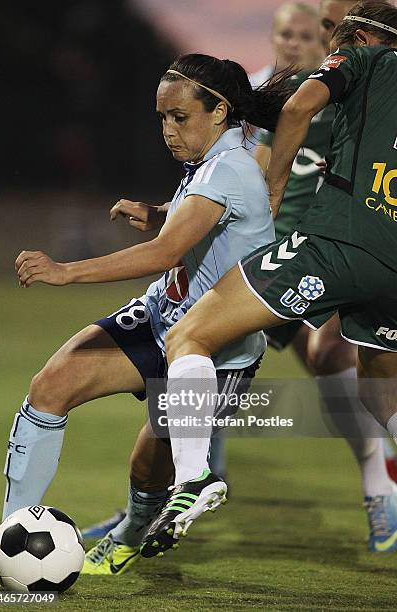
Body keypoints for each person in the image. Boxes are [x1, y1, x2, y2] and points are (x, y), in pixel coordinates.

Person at [1, 53, 295, 576]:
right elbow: (201, 220)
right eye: (162, 117)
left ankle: (131, 534)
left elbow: (162, 253)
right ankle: (9, 536)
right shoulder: (213, 161)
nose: (167, 129)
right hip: (162, 316)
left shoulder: (229, 168)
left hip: (215, 350)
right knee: (51, 385)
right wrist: (160, 212)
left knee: (148, 466)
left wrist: (64, 271)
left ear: (220, 111)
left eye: (179, 117)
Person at [140, 0, 397, 558]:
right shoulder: (262, 92)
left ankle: (191, 481)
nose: (328, 41)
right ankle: (380, 487)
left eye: (333, 31)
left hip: (327, 246)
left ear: (353, 34)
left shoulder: (356, 64)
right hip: (381, 260)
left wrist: (277, 183)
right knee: (381, 394)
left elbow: (299, 109)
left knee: (193, 336)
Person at [255, 0, 397, 554]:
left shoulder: (353, 81)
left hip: (325, 246)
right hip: (270, 245)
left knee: (328, 353)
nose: (295, 41)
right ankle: (160, 498)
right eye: (284, 32)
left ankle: (377, 485)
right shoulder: (264, 90)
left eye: (310, 30)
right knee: (216, 367)